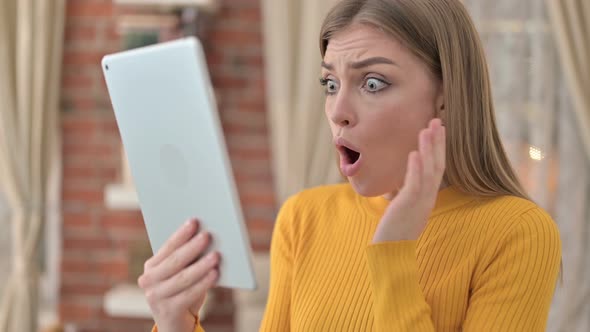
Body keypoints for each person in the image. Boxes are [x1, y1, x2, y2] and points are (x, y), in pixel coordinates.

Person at [139, 0, 562, 331]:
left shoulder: (517, 233)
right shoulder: (303, 218)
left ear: (446, 98)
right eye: (330, 83)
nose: (338, 110)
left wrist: (394, 252)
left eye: (372, 83)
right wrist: (177, 324)